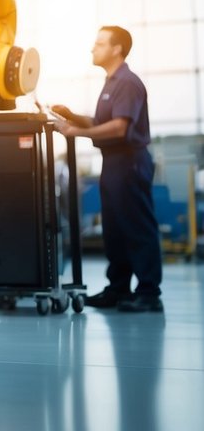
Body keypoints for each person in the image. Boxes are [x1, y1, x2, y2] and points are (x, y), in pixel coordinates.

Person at [50, 26, 162, 313]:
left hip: (129, 161)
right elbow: (101, 122)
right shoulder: (111, 83)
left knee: (137, 227)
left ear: (117, 49)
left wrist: (73, 131)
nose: (93, 48)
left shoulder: (127, 82)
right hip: (113, 163)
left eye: (99, 44)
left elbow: (119, 127)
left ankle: (149, 293)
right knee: (115, 230)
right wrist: (72, 116)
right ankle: (118, 288)